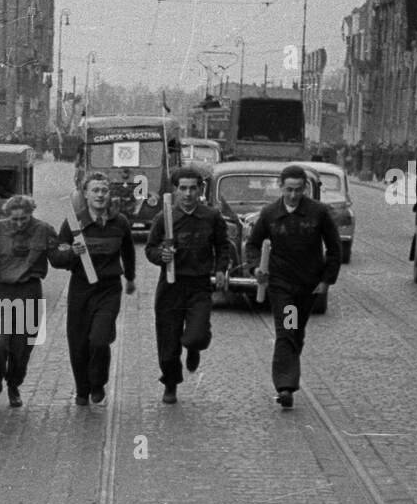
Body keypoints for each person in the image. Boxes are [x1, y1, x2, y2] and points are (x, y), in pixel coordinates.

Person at [245, 165, 341, 409]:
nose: (293, 195)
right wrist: (256, 267)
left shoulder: (318, 213)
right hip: (281, 285)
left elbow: (334, 247)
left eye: (298, 190)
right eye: (289, 189)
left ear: (305, 189)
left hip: (309, 285)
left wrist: (327, 280)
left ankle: (288, 373)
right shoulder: (269, 214)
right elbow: (253, 245)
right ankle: (285, 386)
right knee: (287, 330)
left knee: (296, 332)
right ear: (281, 187)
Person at [50, 173, 137, 406]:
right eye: (95, 190)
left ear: (110, 194)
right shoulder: (73, 222)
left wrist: (130, 277)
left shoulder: (120, 223)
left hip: (109, 289)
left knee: (99, 339)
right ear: (85, 194)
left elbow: (128, 252)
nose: (100, 195)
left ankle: (97, 383)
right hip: (81, 289)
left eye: (104, 190)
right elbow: (56, 258)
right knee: (78, 343)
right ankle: (82, 389)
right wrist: (71, 253)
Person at [145, 166, 231, 404]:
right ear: (176, 189)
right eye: (183, 188)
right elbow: (150, 248)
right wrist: (160, 256)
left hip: (199, 286)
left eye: (193, 188)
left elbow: (222, 246)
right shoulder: (165, 217)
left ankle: (193, 347)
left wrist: (221, 269)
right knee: (168, 339)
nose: (188, 193)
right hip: (171, 285)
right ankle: (171, 383)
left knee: (196, 336)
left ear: (200, 190)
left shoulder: (211, 217)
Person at [0, 195, 57, 407]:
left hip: (29, 291)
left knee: (22, 347)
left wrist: (71, 250)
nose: (20, 223)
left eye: (25, 218)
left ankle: (14, 385)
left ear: (31, 213)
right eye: (15, 219)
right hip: (1, 291)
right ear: (7, 216)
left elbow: (58, 258)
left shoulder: (44, 229)